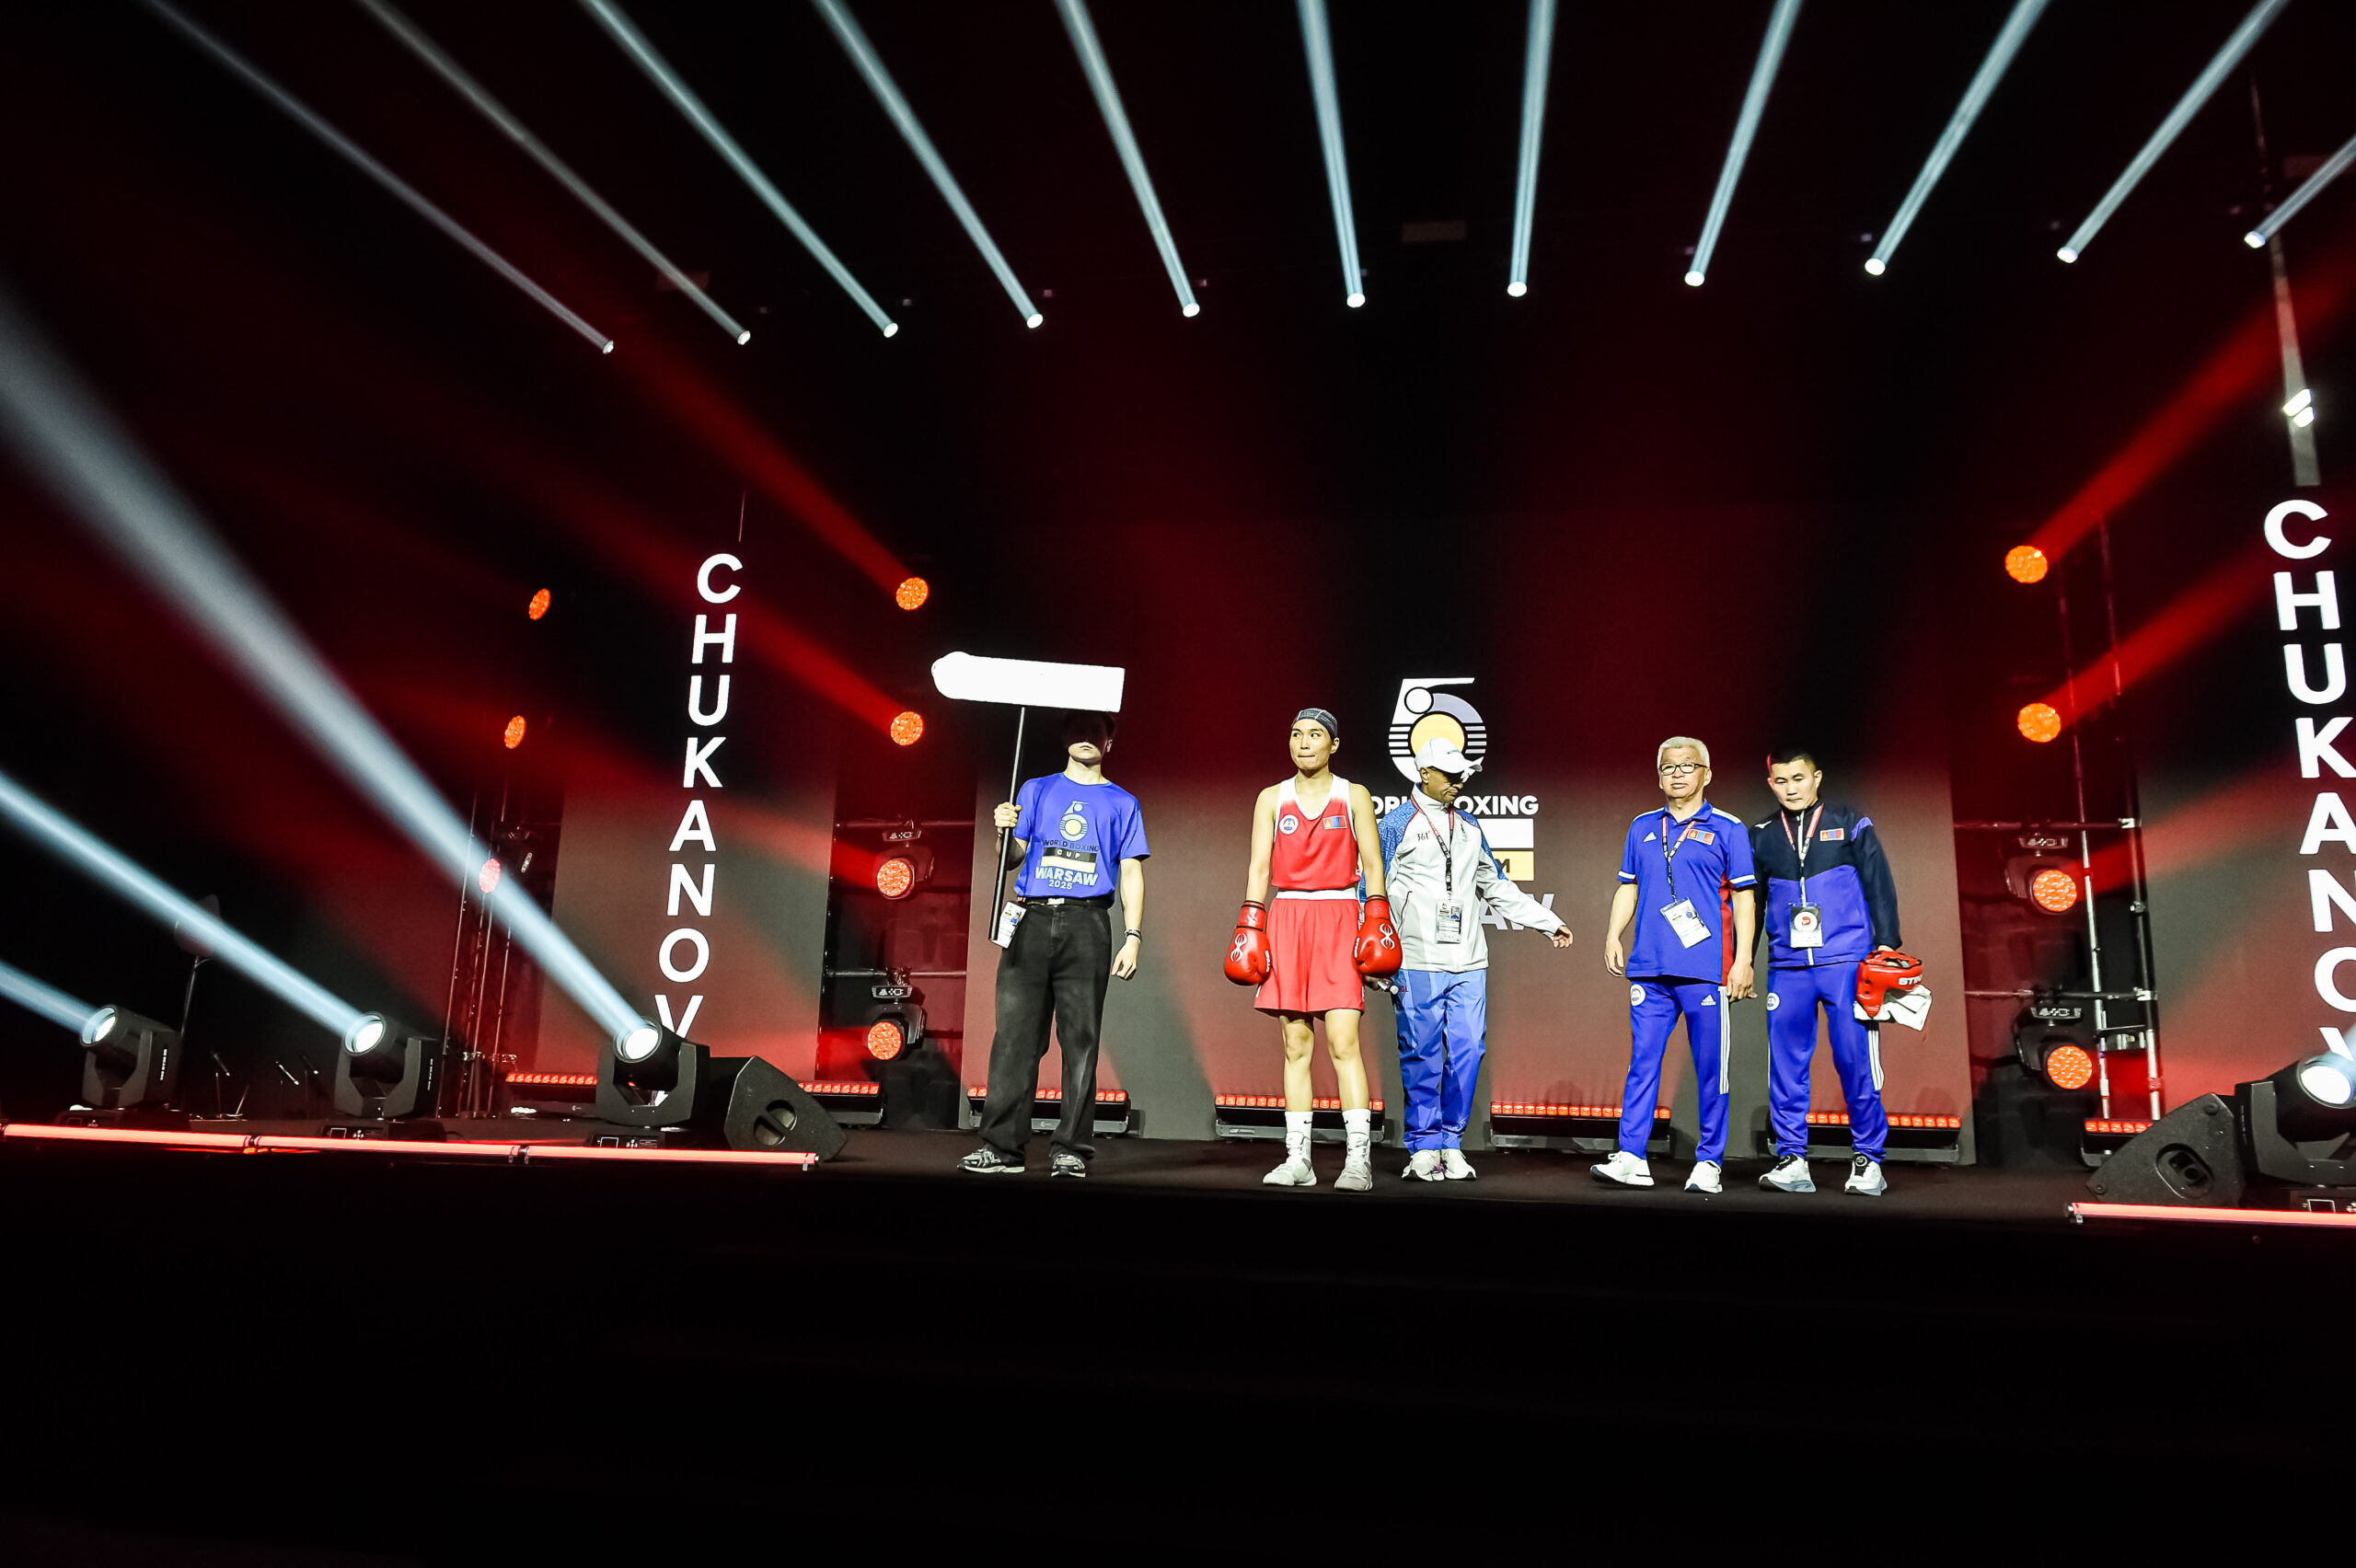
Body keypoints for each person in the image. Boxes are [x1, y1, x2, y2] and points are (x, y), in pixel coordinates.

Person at [1374, 736, 1570, 1182]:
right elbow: (1372, 889)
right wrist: (1372, 955)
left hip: (1469, 960)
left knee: (1469, 1050)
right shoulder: (1395, 824)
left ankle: (1451, 1142)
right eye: (1450, 774)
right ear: (1424, 773)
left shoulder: (1469, 825)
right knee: (1420, 1053)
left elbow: (1496, 885)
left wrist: (1545, 921)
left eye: (1462, 774)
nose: (1459, 781)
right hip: (1416, 959)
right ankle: (1424, 1146)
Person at [961, 710, 1148, 1178]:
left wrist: (1133, 935)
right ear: (1065, 737)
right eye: (1078, 729)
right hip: (1031, 916)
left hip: (1087, 922)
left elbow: (1131, 871)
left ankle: (1071, 1149)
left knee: (1081, 1041)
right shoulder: (1035, 790)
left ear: (1109, 741)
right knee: (1015, 1039)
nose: (1086, 738)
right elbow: (1013, 857)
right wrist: (1003, 829)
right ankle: (1002, 1147)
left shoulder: (1123, 802)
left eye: (1096, 731)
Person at [1226, 709, 1394, 1192]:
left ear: (1333, 745)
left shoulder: (1353, 795)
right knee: (1295, 1046)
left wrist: (1376, 916)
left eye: (1315, 735)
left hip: (1339, 917)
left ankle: (1358, 1162)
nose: (1303, 742)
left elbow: (1373, 864)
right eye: (1296, 734)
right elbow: (1260, 868)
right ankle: (1297, 1159)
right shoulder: (1271, 797)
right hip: (1287, 918)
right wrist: (1250, 922)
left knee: (1344, 1042)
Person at [1594, 736, 1757, 1194]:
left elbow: (1745, 898)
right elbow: (1628, 886)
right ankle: (1631, 1156)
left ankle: (1709, 1162)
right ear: (1659, 775)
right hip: (1650, 968)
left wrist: (1743, 960)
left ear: (1707, 773)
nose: (1678, 773)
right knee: (1642, 1064)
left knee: (1712, 1070)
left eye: (1688, 766)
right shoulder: (1642, 826)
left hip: (1706, 970)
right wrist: (1613, 934)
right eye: (1669, 767)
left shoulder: (1728, 828)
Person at [1750, 747, 1903, 1198]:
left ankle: (1869, 1160)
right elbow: (1752, 905)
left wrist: (1886, 942)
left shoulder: (1849, 820)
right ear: (1771, 784)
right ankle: (1792, 1159)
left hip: (1846, 962)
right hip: (1788, 967)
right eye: (1781, 781)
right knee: (1786, 1067)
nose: (1790, 788)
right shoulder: (1761, 835)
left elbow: (1878, 882)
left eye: (1798, 778)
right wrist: (1741, 961)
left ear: (1816, 778)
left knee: (1856, 1062)